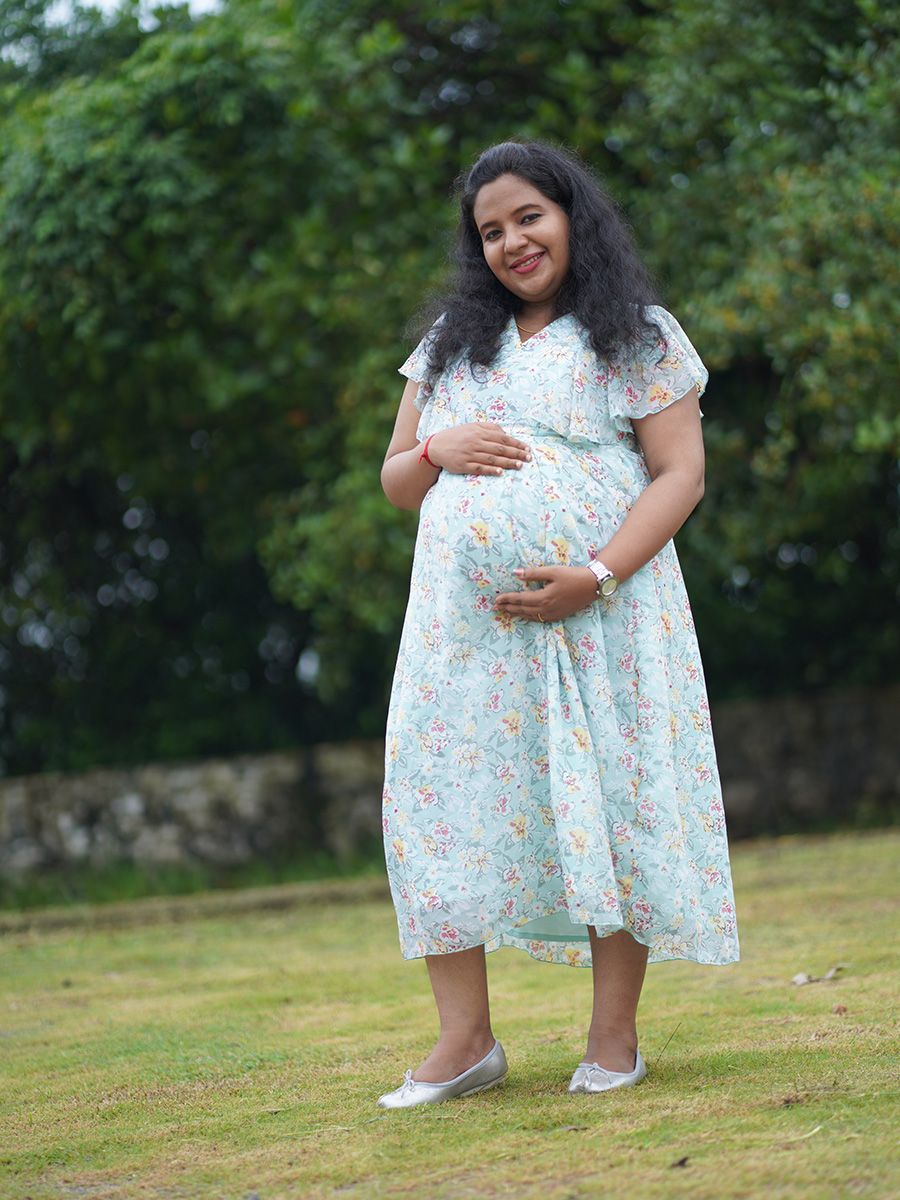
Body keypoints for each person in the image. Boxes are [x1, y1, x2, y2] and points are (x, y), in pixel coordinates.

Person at [376, 139, 740, 1109]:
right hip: (465, 636)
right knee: (442, 801)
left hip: (603, 618)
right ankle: (465, 1043)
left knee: (610, 799)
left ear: (573, 215)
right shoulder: (451, 342)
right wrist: (438, 448)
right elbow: (397, 480)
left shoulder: (637, 332)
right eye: (491, 231)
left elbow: (681, 475)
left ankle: (613, 1040)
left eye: (529, 217)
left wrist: (597, 574)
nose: (512, 242)